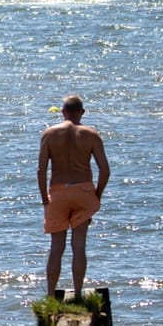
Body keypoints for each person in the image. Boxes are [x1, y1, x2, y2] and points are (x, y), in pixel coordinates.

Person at [39, 95, 110, 299]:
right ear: (82, 112)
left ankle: (51, 296)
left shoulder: (49, 134)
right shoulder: (91, 134)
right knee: (79, 246)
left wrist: (45, 198)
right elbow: (105, 171)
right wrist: (96, 195)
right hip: (84, 192)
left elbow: (41, 170)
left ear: (63, 112)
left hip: (58, 192)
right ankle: (78, 293)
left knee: (56, 248)